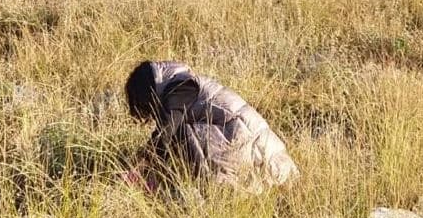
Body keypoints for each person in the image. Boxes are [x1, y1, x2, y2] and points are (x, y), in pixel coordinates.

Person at [124, 60, 298, 194]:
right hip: (261, 150)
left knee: (179, 135)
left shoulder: (181, 87)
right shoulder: (183, 84)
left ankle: (196, 197)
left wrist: (141, 164)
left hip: (252, 149)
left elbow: (167, 131)